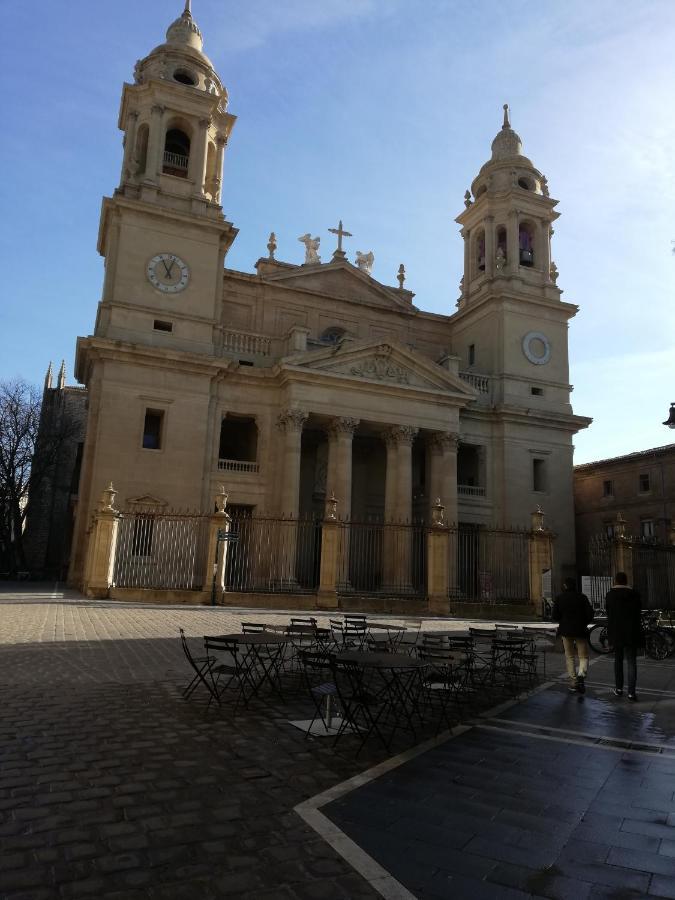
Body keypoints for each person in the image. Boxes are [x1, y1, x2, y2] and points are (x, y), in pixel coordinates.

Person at [552, 577, 594, 693]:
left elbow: (555, 616)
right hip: (580, 630)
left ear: (565, 586)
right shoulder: (582, 598)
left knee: (569, 656)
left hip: (566, 630)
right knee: (583, 656)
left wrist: (563, 620)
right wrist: (583, 622)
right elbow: (590, 614)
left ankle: (573, 681)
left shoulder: (560, 598)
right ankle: (581, 676)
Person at [605, 571, 642, 701]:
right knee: (632, 662)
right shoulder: (635, 595)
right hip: (631, 632)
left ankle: (619, 688)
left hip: (617, 633)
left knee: (618, 660)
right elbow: (638, 612)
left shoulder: (610, 595)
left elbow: (609, 614)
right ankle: (631, 692)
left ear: (615, 581)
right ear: (626, 581)